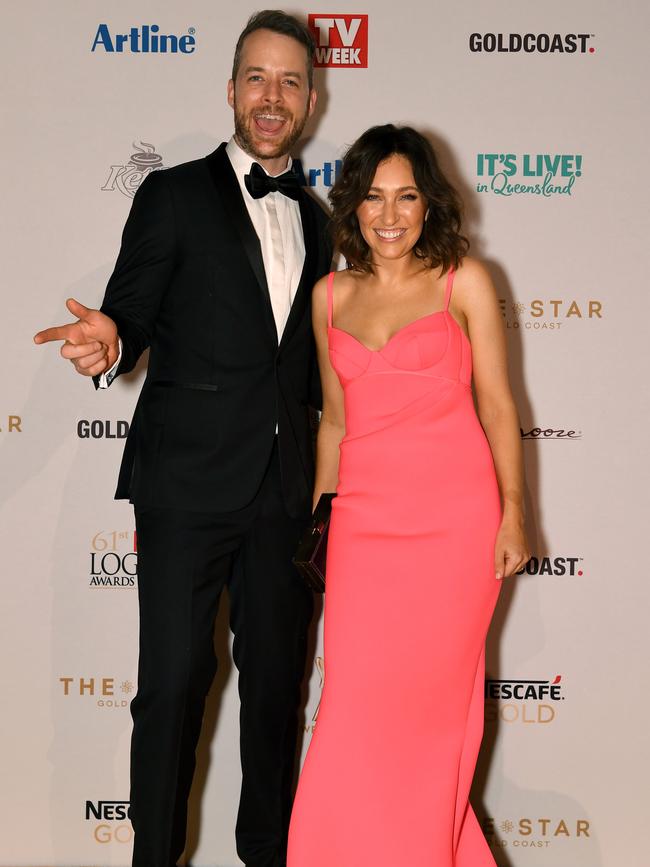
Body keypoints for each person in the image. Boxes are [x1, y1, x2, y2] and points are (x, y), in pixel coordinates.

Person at [34, 11, 332, 867]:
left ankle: (265, 855)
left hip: (284, 495)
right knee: (169, 689)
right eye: (256, 78)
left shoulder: (316, 221)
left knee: (276, 692)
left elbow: (309, 369)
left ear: (309, 100)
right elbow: (130, 307)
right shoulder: (170, 195)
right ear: (231, 89)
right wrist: (112, 341)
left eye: (288, 82)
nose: (271, 97)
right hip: (184, 485)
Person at [286, 125, 530, 866]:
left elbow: (496, 405)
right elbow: (333, 422)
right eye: (372, 198)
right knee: (352, 715)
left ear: (430, 205)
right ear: (352, 206)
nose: (388, 216)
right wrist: (319, 528)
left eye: (406, 197)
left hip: (455, 529)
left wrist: (515, 509)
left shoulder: (465, 280)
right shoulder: (329, 296)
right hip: (363, 530)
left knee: (429, 724)